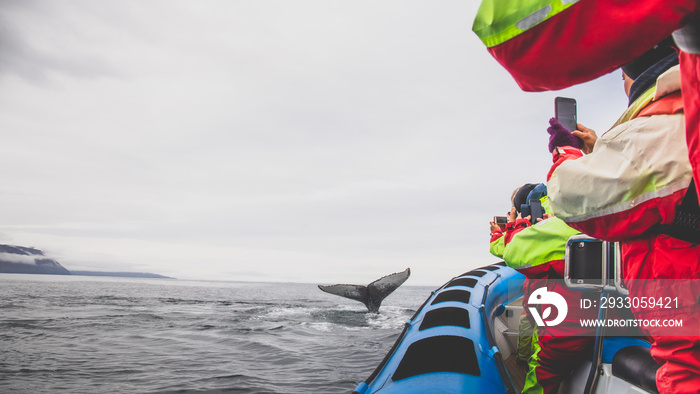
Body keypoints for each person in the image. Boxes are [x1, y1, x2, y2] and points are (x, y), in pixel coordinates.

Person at [545, 39, 700, 394]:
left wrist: (564, 153)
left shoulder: (666, 122)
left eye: (622, 78)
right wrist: (600, 152)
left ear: (639, 73)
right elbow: (662, 181)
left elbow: (571, 197)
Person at [500, 182, 598, 394]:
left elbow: (512, 254)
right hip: (609, 314)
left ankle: (524, 362)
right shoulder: (595, 214)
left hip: (569, 322)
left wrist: (518, 225)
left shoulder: (557, 224)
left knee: (541, 373)